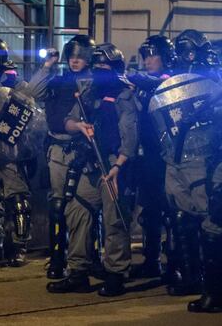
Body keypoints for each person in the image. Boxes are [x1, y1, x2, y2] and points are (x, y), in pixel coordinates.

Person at [48, 43, 137, 297]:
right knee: (77, 210)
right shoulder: (88, 94)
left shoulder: (124, 95)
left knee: (114, 219)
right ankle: (78, 272)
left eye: (104, 67)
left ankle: (116, 273)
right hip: (90, 164)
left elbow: (130, 137)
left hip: (114, 166)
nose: (99, 71)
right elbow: (67, 120)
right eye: (96, 66)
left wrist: (119, 165)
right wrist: (79, 125)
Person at [0, 38, 55, 266]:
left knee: (18, 200)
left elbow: (33, 119)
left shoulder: (18, 86)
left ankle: (20, 246)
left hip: (13, 154)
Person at [152, 30, 222, 312]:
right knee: (184, 217)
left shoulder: (216, 82)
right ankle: (197, 279)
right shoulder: (176, 85)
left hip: (214, 159)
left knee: (213, 223)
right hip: (186, 158)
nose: (188, 56)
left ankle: (214, 293)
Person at [43, 35, 94, 279]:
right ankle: (56, 257)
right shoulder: (57, 81)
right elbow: (33, 90)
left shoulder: (93, 82)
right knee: (58, 204)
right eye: (72, 56)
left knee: (84, 205)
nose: (75, 61)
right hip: (57, 146)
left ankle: (89, 256)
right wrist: (46, 66)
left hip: (82, 148)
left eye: (81, 56)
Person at [127, 35, 174, 279]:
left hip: (168, 157)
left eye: (152, 55)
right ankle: (152, 260)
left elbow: (157, 81)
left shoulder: (171, 81)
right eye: (145, 56)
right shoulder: (145, 86)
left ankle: (176, 264)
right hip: (147, 157)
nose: (147, 61)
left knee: (172, 213)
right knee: (149, 213)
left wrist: (129, 78)